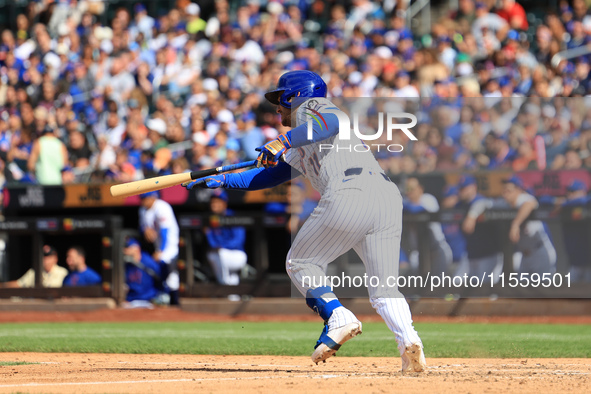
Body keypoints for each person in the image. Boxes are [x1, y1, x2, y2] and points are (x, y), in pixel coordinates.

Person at [185, 70, 425, 373]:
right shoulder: (303, 138)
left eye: (280, 101)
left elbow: (332, 121)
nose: (278, 108)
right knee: (384, 288)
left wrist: (281, 141)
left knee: (300, 262)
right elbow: (270, 175)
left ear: (293, 97)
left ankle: (337, 315)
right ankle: (410, 345)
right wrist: (222, 180)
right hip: (385, 197)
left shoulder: (311, 110)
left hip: (351, 191)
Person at [467, 176, 556, 275]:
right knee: (520, 289)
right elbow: (483, 203)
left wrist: (515, 225)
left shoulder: (523, 198)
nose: (505, 193)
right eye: (504, 189)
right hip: (525, 256)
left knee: (544, 288)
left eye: (509, 190)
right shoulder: (505, 203)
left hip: (539, 252)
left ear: (518, 190)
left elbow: (529, 204)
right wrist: (471, 216)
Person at [403, 177, 452, 275]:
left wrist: (402, 206)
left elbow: (417, 210)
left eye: (412, 188)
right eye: (407, 189)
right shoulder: (405, 203)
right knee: (415, 285)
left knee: (438, 285)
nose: (409, 192)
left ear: (420, 189)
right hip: (418, 253)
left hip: (437, 250)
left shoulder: (428, 199)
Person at [458, 175, 503, 282]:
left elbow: (485, 203)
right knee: (457, 285)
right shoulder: (461, 204)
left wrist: (472, 215)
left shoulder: (481, 200)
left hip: (488, 255)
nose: (462, 191)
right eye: (460, 188)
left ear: (474, 187)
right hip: (471, 255)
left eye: (465, 188)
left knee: (485, 291)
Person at [138, 190, 180, 305]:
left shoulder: (162, 207)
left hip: (170, 245)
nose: (142, 201)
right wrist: (145, 230)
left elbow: (165, 232)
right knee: (159, 271)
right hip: (158, 245)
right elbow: (143, 226)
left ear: (153, 197)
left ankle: (174, 301)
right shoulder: (143, 210)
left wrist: (160, 251)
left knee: (170, 274)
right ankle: (163, 296)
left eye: (145, 198)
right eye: (141, 198)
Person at [205, 189, 248, 286]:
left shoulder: (232, 216)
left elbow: (239, 240)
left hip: (237, 254)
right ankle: (231, 294)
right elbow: (211, 242)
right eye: (213, 202)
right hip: (221, 255)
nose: (214, 204)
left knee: (221, 253)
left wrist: (222, 246)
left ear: (224, 203)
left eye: (217, 201)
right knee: (212, 255)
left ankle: (223, 286)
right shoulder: (211, 219)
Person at [561, 180, 591, 282]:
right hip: (574, 264)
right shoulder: (566, 206)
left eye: (573, 192)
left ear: (583, 192)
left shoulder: (586, 203)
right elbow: (545, 200)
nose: (569, 194)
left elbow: (585, 200)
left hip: (588, 264)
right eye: (568, 192)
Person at [123, 237, 168, 305]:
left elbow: (162, 279)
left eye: (127, 247)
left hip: (148, 300)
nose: (124, 251)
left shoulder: (148, 262)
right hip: (130, 301)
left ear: (136, 249)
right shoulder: (126, 264)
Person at [0, 245, 67, 288]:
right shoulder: (34, 271)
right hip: (37, 306)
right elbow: (19, 284)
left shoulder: (63, 272)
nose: (45, 260)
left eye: (48, 257)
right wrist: (2, 285)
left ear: (55, 258)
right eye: (43, 256)